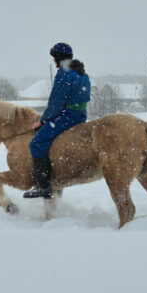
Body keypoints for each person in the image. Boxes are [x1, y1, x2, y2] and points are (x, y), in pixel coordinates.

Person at [23, 43, 91, 199]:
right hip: (81, 115)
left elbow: (56, 104)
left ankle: (44, 186)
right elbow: (85, 97)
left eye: (54, 57)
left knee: (36, 144)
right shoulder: (81, 73)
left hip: (68, 116)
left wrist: (43, 120)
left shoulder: (64, 74)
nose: (53, 61)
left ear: (58, 58)